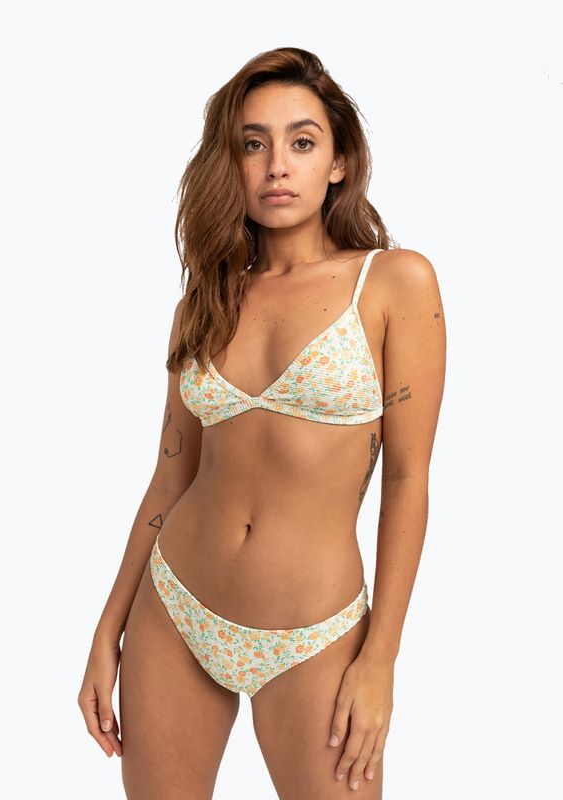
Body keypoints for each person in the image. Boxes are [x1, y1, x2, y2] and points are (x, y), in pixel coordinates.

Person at [78, 46, 446, 799]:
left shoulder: (393, 282)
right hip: (174, 609)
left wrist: (380, 661)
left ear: (339, 162)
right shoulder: (205, 301)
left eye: (302, 142)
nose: (278, 165)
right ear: (232, 164)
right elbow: (169, 479)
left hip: (316, 634)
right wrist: (107, 630)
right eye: (254, 144)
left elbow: (408, 479)